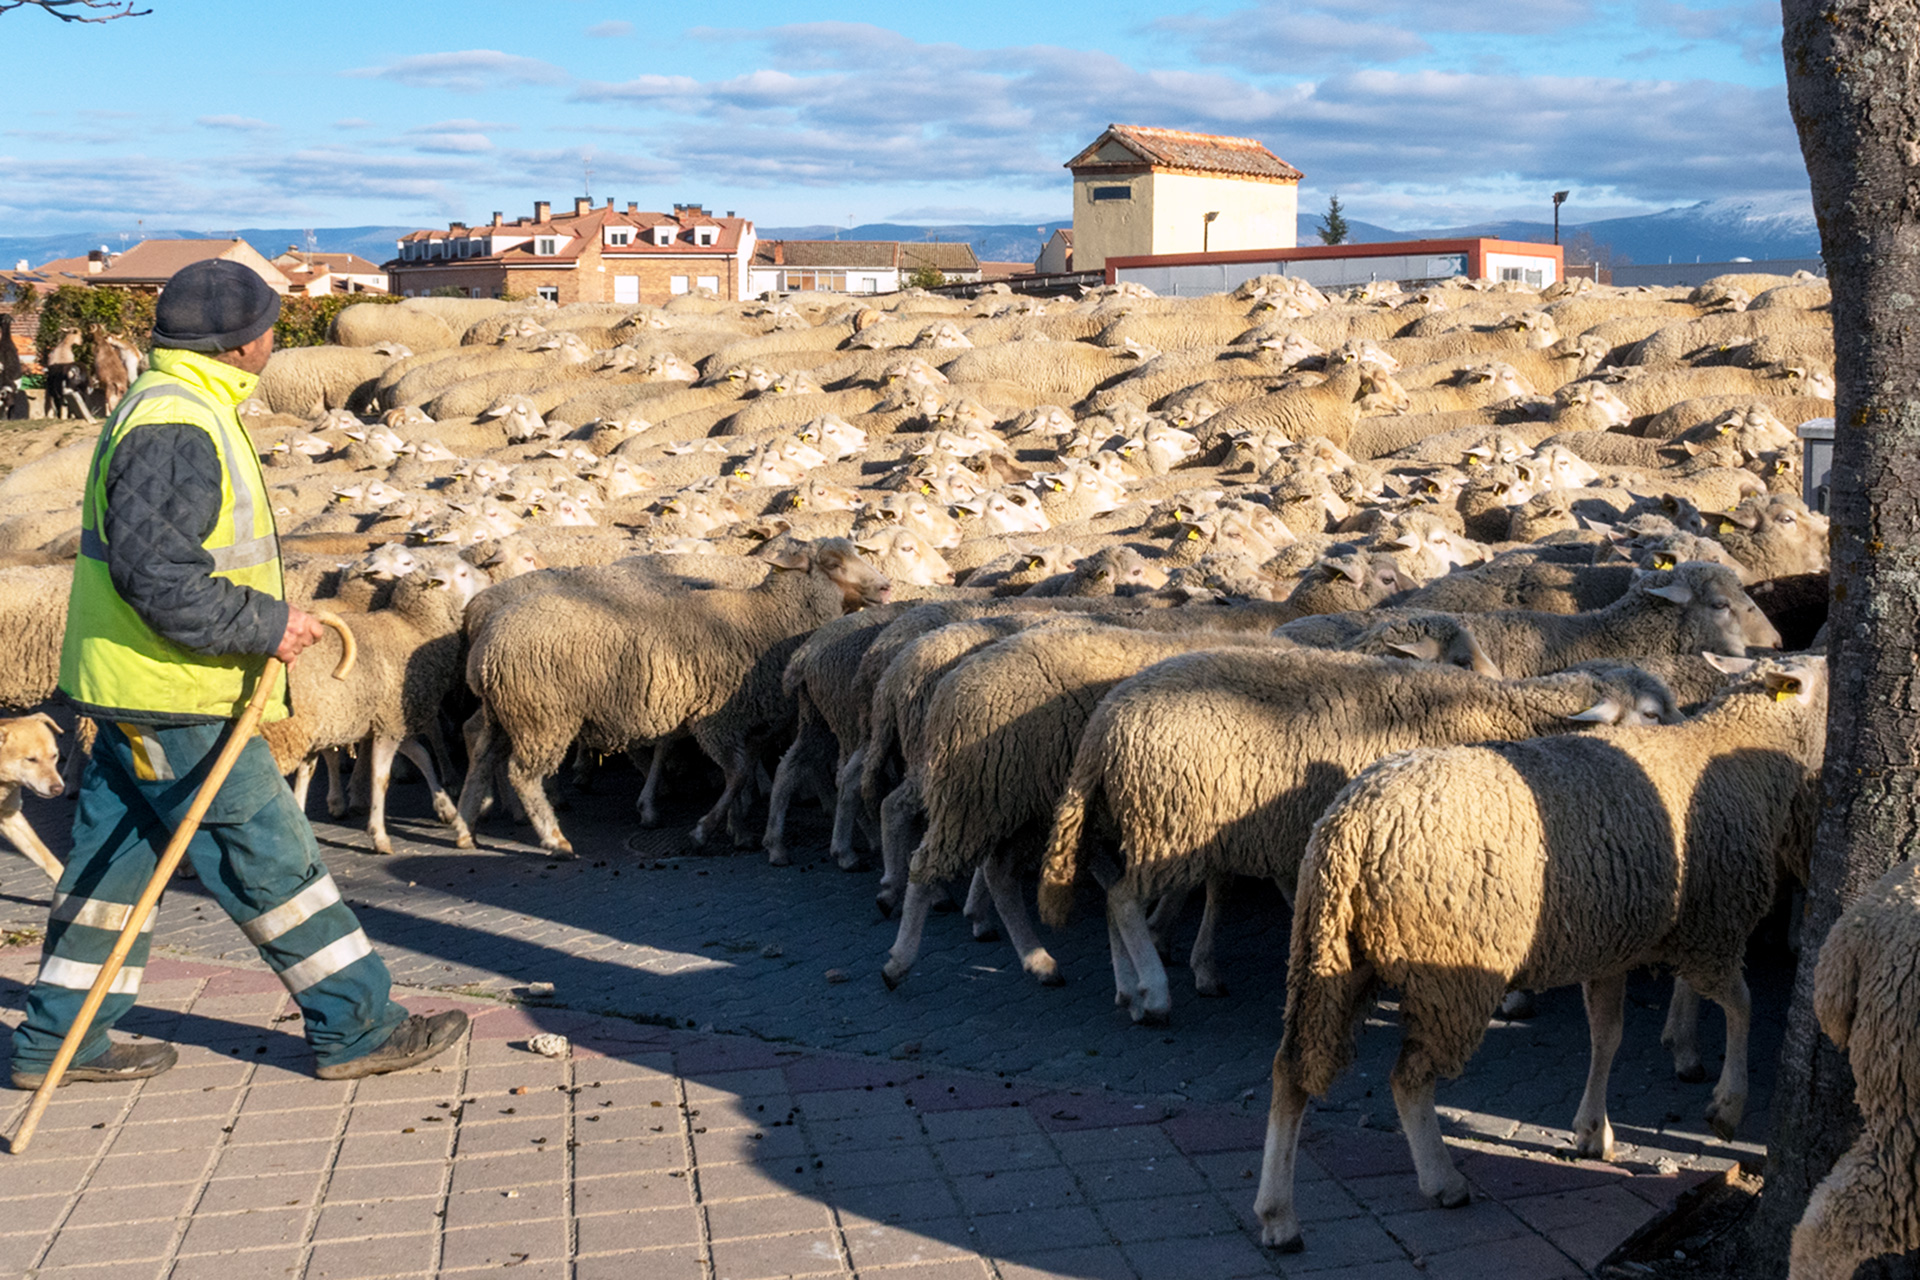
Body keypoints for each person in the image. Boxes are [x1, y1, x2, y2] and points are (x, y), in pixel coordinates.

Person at [9, 259, 465, 1088]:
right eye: (268, 327)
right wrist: (269, 622)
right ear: (245, 342)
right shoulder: (177, 425)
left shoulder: (172, 406)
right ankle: (356, 1025)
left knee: (111, 867)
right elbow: (159, 575)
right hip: (177, 694)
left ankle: (59, 1041)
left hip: (131, 689)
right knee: (270, 858)